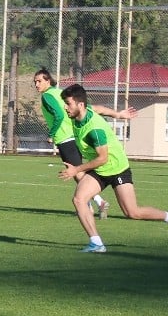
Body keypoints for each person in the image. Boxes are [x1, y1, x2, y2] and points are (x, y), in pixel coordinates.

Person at [58, 84, 168, 252]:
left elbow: (103, 158)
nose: (65, 107)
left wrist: (76, 170)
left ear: (80, 104)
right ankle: (96, 243)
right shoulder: (84, 112)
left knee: (132, 213)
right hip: (100, 170)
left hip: (117, 168)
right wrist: (118, 114)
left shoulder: (95, 130)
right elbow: (98, 108)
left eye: (68, 104)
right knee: (79, 199)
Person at [34, 68, 137, 218]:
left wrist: (51, 134)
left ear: (48, 81)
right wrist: (118, 114)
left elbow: (59, 115)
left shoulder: (47, 96)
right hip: (75, 135)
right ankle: (92, 203)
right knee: (78, 172)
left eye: (39, 81)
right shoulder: (59, 92)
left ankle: (96, 203)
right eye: (35, 82)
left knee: (77, 172)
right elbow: (94, 108)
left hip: (65, 138)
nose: (36, 84)